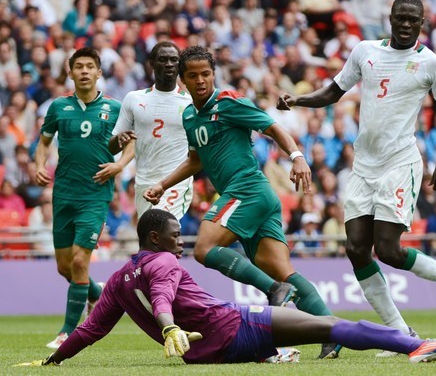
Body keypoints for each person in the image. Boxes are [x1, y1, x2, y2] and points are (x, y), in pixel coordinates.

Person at [277, 0, 436, 357]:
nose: (406, 24)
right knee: (356, 248)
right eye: (401, 18)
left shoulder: (431, 64)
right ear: (390, 18)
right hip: (364, 165)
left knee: (387, 250)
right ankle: (400, 333)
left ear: (422, 22)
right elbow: (335, 91)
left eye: (413, 20)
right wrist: (298, 99)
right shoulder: (364, 51)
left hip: (399, 163)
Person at [15, 209, 436, 367]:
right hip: (234, 325)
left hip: (205, 352)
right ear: (155, 238)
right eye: (175, 234)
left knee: (303, 335)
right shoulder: (164, 262)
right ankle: (416, 345)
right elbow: (162, 295)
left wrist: (54, 359)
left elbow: (91, 329)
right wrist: (169, 324)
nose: (181, 239)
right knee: (329, 324)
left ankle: (275, 354)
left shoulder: (116, 279)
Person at [144, 46, 340, 359]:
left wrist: (298, 156)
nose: (200, 81)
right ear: (182, 80)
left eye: (205, 74)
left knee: (204, 249)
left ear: (213, 75)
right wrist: (162, 184)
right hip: (256, 196)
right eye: (192, 75)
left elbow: (272, 126)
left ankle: (274, 291)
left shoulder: (229, 102)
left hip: (246, 189)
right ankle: (333, 332)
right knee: (283, 272)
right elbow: (196, 159)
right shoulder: (189, 115)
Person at [35, 47, 132, 349]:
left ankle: (67, 331)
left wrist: (120, 164)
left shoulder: (115, 108)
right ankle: (96, 293)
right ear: (71, 72)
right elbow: (43, 142)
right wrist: (39, 165)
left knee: (80, 260)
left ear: (99, 72)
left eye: (91, 66)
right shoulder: (58, 107)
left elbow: (131, 143)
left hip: (95, 195)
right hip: (63, 194)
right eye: (79, 67)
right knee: (65, 267)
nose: (85, 71)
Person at [108, 41, 194, 219]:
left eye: (174, 60)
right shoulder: (134, 99)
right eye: (163, 59)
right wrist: (119, 140)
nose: (169, 64)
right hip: (143, 183)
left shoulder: (191, 103)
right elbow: (111, 147)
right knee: (149, 239)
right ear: (152, 64)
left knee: (162, 226)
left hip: (174, 183)